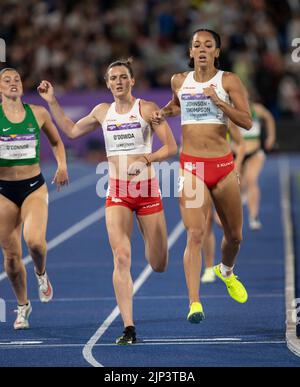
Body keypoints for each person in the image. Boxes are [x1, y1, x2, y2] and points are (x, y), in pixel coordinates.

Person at [38, 59, 177, 345]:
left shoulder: (147, 109)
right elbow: (72, 131)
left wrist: (146, 159)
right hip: (117, 193)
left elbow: (172, 147)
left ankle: (150, 238)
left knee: (159, 263)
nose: (118, 82)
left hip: (148, 191)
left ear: (132, 81)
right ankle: (129, 327)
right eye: (113, 78)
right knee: (121, 257)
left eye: (123, 77)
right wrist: (52, 102)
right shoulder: (103, 111)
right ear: (107, 83)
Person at [152, 29, 252, 323]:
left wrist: (219, 102)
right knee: (195, 233)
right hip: (191, 167)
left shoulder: (229, 81)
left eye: (209, 45)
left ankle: (226, 271)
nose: (203, 49)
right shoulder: (179, 80)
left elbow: (246, 121)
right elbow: (177, 105)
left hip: (223, 168)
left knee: (234, 236)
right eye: (197, 45)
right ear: (191, 51)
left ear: (217, 52)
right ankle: (194, 303)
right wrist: (162, 112)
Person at [0, 68, 69, 330]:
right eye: (7, 80)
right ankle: (22, 306)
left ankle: (41, 274)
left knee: (35, 243)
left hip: (33, 187)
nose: (13, 83)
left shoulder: (37, 113)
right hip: (3, 191)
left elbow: (55, 141)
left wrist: (62, 165)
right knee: (11, 257)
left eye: (16, 79)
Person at [201, 124, 246, 283]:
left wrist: (237, 166)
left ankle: (225, 265)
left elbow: (241, 144)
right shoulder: (195, 119)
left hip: (224, 173)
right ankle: (208, 268)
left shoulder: (223, 118)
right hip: (201, 172)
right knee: (206, 222)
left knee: (230, 230)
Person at [231, 102, 276, 230]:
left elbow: (269, 117)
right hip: (236, 153)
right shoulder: (229, 110)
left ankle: (253, 216)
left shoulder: (256, 109)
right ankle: (234, 219)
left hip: (254, 153)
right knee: (237, 185)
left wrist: (271, 137)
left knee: (251, 179)